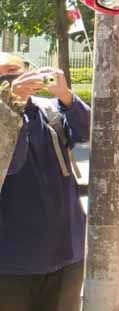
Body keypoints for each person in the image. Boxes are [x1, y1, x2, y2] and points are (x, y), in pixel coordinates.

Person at [0, 53, 91, 311]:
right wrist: (10, 103)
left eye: (14, 70)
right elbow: (11, 162)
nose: (10, 78)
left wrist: (66, 97)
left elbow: (89, 132)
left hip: (66, 254)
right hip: (10, 262)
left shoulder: (47, 109)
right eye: (1, 75)